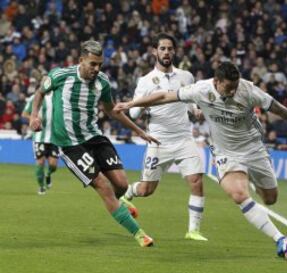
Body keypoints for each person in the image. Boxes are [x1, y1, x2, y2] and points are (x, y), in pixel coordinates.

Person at [114, 62, 287, 256]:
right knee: (239, 195)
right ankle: (280, 240)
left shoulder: (248, 91)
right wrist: (131, 103)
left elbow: (282, 111)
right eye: (229, 87)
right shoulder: (201, 90)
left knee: (270, 199)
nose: (233, 91)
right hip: (226, 153)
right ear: (216, 82)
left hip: (254, 149)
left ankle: (253, 180)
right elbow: (162, 96)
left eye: (235, 86)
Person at [29, 40, 159, 247]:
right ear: (81, 60)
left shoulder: (103, 82)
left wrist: (138, 130)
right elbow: (39, 93)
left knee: (122, 185)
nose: (96, 69)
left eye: (99, 64)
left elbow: (111, 110)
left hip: (95, 137)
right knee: (103, 185)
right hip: (70, 145)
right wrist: (34, 116)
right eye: (92, 64)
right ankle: (139, 234)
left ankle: (119, 206)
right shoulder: (60, 76)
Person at [124, 33, 207, 241]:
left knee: (196, 180)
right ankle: (127, 194)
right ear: (155, 52)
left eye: (170, 48)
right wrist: (148, 102)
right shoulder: (145, 81)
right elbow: (133, 114)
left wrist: (195, 110)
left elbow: (189, 99)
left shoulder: (186, 77)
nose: (166, 52)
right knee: (146, 190)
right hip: (159, 141)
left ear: (175, 51)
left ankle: (193, 231)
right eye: (162, 48)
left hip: (184, 138)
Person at [22, 89, 58, 195]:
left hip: (53, 138)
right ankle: (41, 187)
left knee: (53, 165)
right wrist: (34, 118)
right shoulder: (35, 97)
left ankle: (48, 174)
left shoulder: (57, 97)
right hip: (39, 137)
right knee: (40, 162)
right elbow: (24, 113)